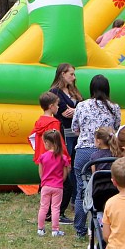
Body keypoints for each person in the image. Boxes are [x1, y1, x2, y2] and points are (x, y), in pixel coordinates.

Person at [70, 74, 122, 232]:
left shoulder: (81, 106)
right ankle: (107, 223)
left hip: (83, 151)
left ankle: (80, 228)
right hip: (107, 152)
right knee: (107, 187)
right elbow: (116, 128)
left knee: (82, 189)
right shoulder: (114, 107)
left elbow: (75, 128)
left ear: (91, 89)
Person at [49, 64, 82, 221]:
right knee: (67, 165)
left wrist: (76, 111)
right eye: (71, 74)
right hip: (65, 132)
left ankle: (75, 197)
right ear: (62, 74)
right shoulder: (55, 92)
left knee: (76, 165)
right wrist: (77, 111)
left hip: (77, 133)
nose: (74, 78)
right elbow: (63, 112)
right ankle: (63, 198)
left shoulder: (74, 91)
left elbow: (80, 106)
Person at [73, 126, 117, 238]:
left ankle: (92, 230)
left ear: (98, 141)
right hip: (115, 190)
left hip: (100, 191)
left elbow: (94, 175)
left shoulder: (95, 156)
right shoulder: (116, 155)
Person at [36, 129, 70, 237]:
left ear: (47, 142)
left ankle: (40, 229)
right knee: (55, 208)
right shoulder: (63, 158)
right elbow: (65, 174)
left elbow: (41, 173)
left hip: (46, 186)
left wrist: (45, 181)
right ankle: (55, 230)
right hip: (58, 186)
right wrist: (59, 181)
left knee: (43, 207)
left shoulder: (42, 157)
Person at [30, 92, 61, 161]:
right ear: (51, 106)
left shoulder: (39, 122)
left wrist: (38, 151)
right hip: (53, 158)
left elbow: (31, 138)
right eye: (57, 105)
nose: (58, 107)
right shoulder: (54, 122)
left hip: (41, 157)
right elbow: (58, 141)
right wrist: (67, 158)